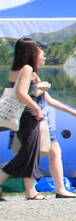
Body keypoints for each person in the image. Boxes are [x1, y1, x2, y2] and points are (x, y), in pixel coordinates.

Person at [0, 37, 48, 201]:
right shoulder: (27, 68)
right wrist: (35, 107)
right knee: (28, 152)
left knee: (30, 152)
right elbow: (21, 93)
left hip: (21, 115)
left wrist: (38, 86)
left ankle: (30, 190)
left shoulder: (15, 69)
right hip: (28, 114)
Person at [33, 77, 76, 198]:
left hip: (43, 123)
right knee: (25, 158)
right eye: (41, 56)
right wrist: (40, 88)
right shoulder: (28, 72)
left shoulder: (34, 74)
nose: (43, 58)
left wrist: (71, 111)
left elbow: (49, 100)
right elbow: (25, 94)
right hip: (34, 122)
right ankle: (58, 189)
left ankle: (60, 189)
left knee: (54, 153)